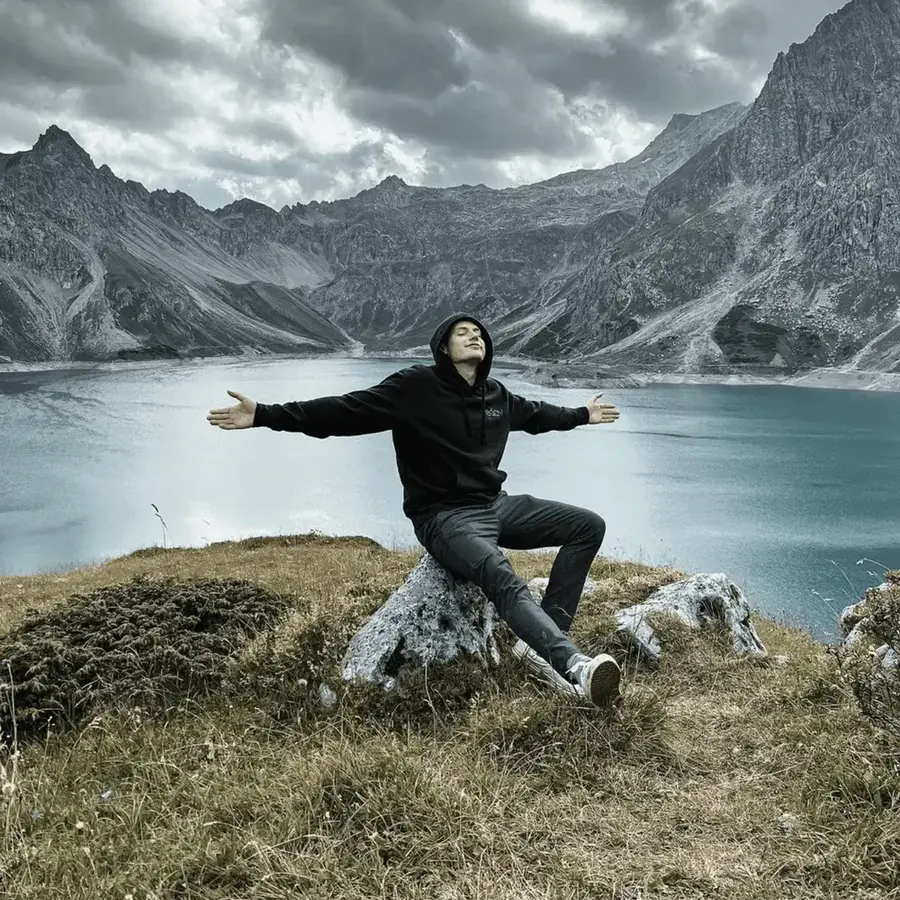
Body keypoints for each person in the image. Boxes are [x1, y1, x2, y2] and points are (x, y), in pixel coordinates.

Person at [206, 313, 622, 706]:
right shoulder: (414, 388)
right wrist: (264, 414)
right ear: (443, 347)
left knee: (587, 526)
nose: (474, 335)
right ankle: (573, 665)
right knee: (500, 574)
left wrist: (584, 414)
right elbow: (343, 412)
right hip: (444, 517)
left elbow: (539, 415)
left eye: (479, 332)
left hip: (495, 505)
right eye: (462, 332)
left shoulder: (496, 395)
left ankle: (542, 645)